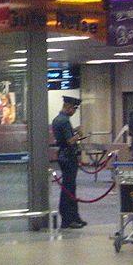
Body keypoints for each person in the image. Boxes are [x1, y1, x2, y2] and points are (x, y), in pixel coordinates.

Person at [52, 95, 88, 228]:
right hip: (68, 156)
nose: (74, 111)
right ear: (68, 107)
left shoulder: (57, 119)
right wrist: (79, 135)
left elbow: (62, 137)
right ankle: (69, 219)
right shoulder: (65, 121)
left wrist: (73, 131)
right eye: (74, 108)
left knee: (69, 188)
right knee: (69, 189)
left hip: (63, 155)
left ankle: (74, 217)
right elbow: (69, 141)